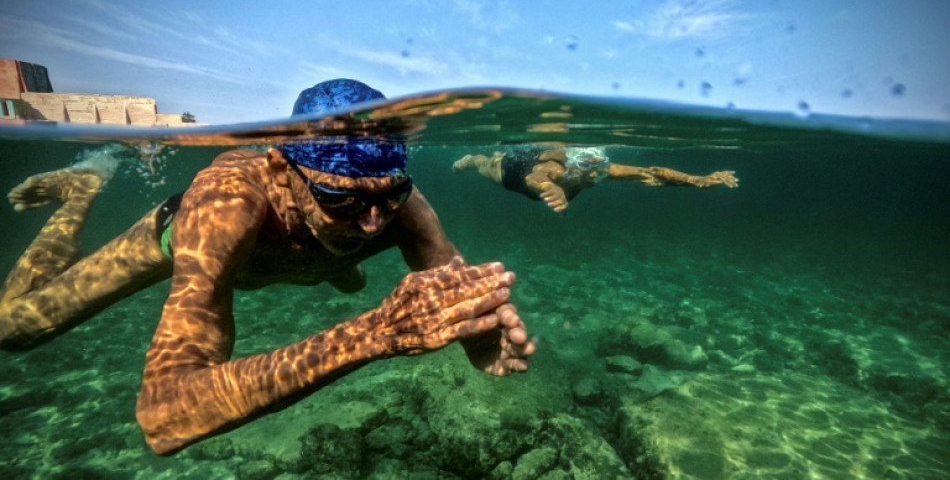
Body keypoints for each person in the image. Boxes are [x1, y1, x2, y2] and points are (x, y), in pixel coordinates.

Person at [0, 79, 534, 456]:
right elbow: (164, 415)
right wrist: (376, 332)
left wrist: (482, 334)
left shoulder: (401, 208)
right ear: (283, 169)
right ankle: (80, 190)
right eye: (342, 200)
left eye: (389, 197)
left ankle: (333, 261)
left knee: (349, 257)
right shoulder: (223, 209)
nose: (374, 223)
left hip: (314, 255)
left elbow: (458, 290)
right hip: (186, 237)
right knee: (15, 328)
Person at [452, 146, 739, 213]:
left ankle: (500, 150)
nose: (593, 177)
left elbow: (652, 174)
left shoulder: (601, 169)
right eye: (586, 171)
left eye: (597, 169)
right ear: (572, 166)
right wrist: (552, 189)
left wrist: (698, 180)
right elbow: (533, 177)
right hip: (511, 172)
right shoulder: (556, 168)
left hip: (534, 162)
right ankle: (472, 159)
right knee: (484, 163)